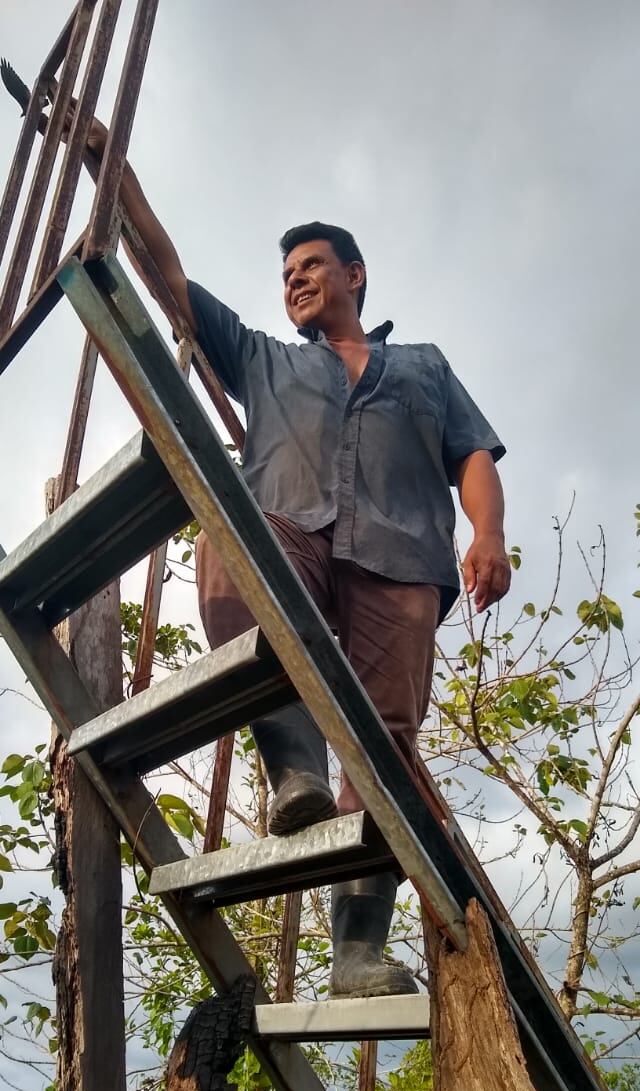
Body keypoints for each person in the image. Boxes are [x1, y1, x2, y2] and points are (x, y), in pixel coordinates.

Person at [83, 120, 511, 998]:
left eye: (311, 267)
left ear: (354, 275)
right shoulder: (266, 360)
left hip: (400, 565)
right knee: (234, 542)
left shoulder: (425, 368)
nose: (295, 283)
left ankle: (356, 955)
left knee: (386, 747)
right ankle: (293, 771)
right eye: (284, 277)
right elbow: (166, 275)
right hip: (293, 534)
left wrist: (488, 533)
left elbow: (471, 453)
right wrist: (108, 166)